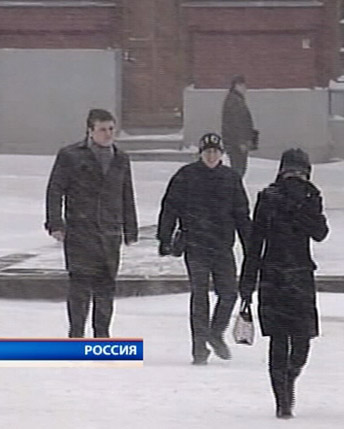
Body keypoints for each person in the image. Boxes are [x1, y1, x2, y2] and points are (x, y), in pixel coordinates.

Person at [239, 148, 329, 419]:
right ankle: (283, 400)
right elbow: (256, 243)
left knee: (300, 340)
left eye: (300, 173)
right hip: (275, 275)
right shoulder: (268, 197)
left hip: (298, 273)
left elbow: (320, 233)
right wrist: (247, 283)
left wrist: (301, 208)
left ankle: (289, 379)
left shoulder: (312, 196)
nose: (295, 178)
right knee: (280, 340)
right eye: (292, 172)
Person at [157, 132, 251, 365]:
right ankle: (199, 348)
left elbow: (241, 214)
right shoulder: (186, 176)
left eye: (215, 152)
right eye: (207, 152)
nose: (211, 156)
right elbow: (170, 207)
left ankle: (215, 332)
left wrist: (251, 245)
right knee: (199, 297)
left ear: (222, 154)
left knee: (229, 292)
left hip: (222, 246)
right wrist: (165, 237)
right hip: (195, 245)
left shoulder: (230, 179)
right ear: (200, 154)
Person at [45, 108, 138, 338]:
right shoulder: (71, 156)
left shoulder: (120, 158)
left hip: (109, 232)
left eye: (111, 129)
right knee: (80, 287)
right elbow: (55, 189)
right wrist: (55, 222)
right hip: (80, 231)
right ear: (90, 131)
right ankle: (76, 336)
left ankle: (102, 337)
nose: (108, 134)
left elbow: (126, 193)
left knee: (106, 289)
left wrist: (130, 227)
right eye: (102, 129)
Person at [221, 74, 255, 178]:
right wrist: (241, 141)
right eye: (243, 85)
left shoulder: (237, 99)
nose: (245, 88)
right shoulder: (234, 101)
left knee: (239, 169)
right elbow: (236, 123)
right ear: (237, 85)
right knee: (238, 169)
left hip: (236, 142)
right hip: (236, 143)